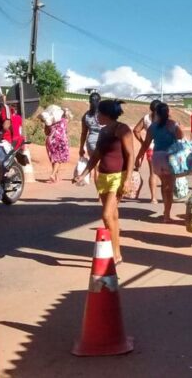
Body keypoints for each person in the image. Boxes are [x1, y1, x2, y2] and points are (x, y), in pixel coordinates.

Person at [73, 99, 134, 265]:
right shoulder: (103, 131)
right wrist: (83, 173)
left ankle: (114, 254)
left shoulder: (123, 129)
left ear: (107, 114)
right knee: (112, 216)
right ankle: (117, 253)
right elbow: (96, 156)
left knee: (107, 215)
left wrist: (127, 179)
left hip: (118, 177)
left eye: (99, 113)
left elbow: (130, 155)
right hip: (103, 177)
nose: (97, 116)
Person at [135, 102, 184, 223]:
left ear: (156, 113)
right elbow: (181, 138)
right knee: (170, 186)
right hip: (170, 157)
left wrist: (138, 157)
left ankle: (165, 211)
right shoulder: (173, 125)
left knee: (163, 184)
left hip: (157, 157)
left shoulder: (153, 127)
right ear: (168, 113)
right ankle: (167, 214)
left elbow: (146, 144)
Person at [133, 99, 160, 203]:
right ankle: (167, 198)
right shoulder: (164, 119)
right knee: (166, 175)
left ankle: (153, 198)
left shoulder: (146, 118)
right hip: (164, 149)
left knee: (153, 173)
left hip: (150, 148)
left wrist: (142, 142)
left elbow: (136, 130)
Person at [41, 106, 71, 183]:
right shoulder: (65, 121)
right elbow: (66, 131)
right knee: (59, 159)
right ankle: (53, 174)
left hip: (50, 140)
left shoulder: (49, 122)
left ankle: (56, 177)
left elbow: (46, 133)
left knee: (54, 158)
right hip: (60, 140)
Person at [79, 92, 102, 182]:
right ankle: (104, 192)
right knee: (104, 167)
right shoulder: (104, 114)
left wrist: (81, 148)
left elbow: (84, 133)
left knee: (96, 167)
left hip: (91, 142)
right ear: (100, 101)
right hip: (104, 141)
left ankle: (99, 195)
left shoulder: (86, 116)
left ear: (89, 102)